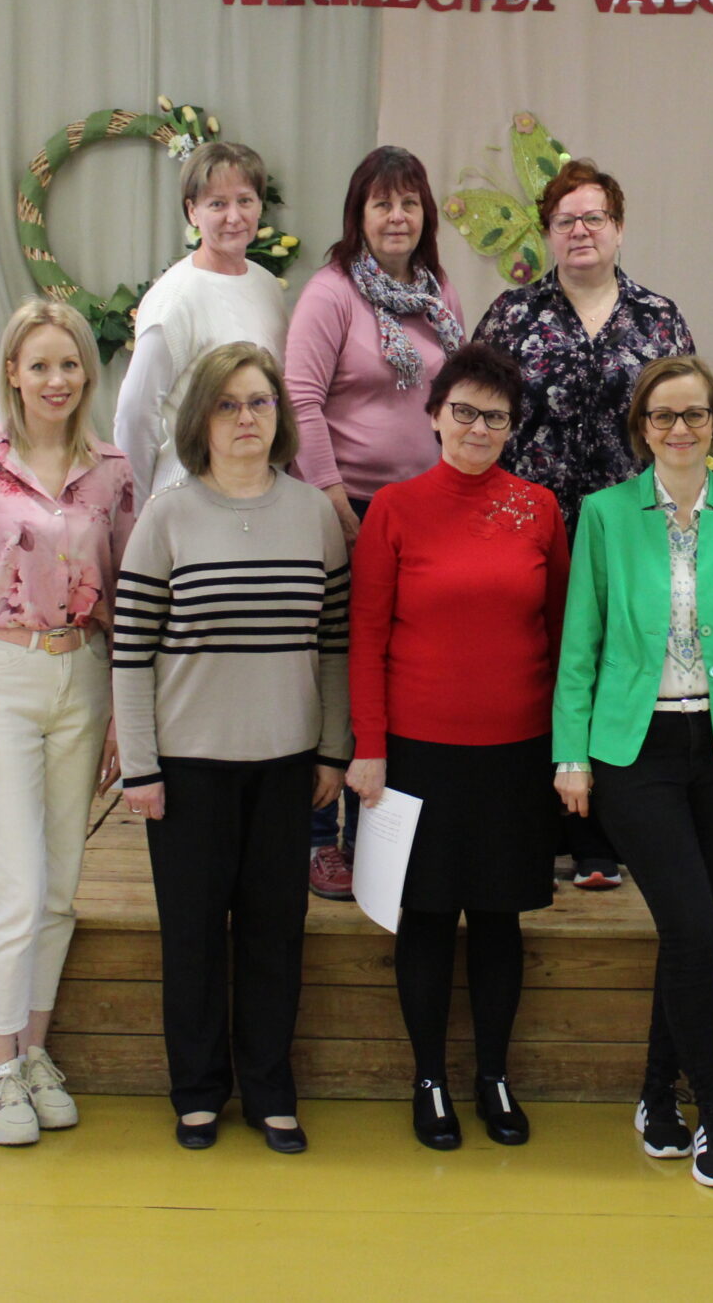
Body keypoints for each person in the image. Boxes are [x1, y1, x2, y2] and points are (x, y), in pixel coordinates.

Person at [554, 355, 713, 1189]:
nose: (680, 428)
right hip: (635, 750)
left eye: (694, 414)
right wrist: (571, 752)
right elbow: (580, 640)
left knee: (686, 931)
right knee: (694, 926)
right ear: (642, 427)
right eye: (663, 416)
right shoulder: (605, 514)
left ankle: (657, 1094)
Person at [113, 341, 350, 1155]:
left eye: (260, 401)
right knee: (191, 936)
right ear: (201, 419)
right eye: (228, 403)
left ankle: (271, 1090)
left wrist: (333, 749)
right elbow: (131, 650)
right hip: (187, 770)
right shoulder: (168, 515)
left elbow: (334, 641)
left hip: (287, 765)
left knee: (275, 932)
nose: (246, 417)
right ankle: (198, 1091)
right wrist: (140, 766)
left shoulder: (313, 514)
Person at [345, 342, 569, 1150]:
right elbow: (366, 636)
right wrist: (369, 746)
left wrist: (567, 747)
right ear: (435, 414)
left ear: (514, 426)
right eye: (465, 411)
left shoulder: (539, 508)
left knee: (500, 918)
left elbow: (563, 632)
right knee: (429, 917)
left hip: (516, 750)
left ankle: (494, 1074)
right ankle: (430, 1077)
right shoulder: (394, 509)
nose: (479, 427)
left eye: (496, 416)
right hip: (417, 753)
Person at [0, 299, 136, 1146]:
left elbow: (127, 599)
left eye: (70, 364)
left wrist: (123, 712)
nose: (57, 379)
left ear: (88, 373)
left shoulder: (113, 472)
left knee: (56, 889)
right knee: (13, 889)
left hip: (81, 677)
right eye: (40, 364)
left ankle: (36, 1053)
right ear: (13, 371)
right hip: (1, 677)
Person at [472, 156, 695, 891]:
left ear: (619, 227)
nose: (580, 230)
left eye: (594, 217)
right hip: (527, 526)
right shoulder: (512, 316)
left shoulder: (658, 317)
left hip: (631, 527)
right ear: (547, 233)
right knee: (534, 667)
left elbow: (687, 421)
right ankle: (536, 825)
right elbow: (475, 414)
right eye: (565, 220)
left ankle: (603, 834)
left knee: (615, 665)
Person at [285, 146, 465, 900]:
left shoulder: (437, 291)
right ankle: (318, 837)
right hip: (346, 508)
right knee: (338, 664)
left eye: (409, 203)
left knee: (392, 666)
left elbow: (452, 394)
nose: (397, 216)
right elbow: (299, 399)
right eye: (382, 203)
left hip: (419, 510)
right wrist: (334, 503)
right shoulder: (331, 293)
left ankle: (375, 832)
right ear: (358, 213)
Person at [114, 140, 291, 502]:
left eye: (245, 200)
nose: (234, 217)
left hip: (257, 488)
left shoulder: (266, 285)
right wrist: (142, 511)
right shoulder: (174, 299)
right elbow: (135, 415)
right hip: (189, 494)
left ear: (260, 205)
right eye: (217, 204)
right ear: (192, 212)